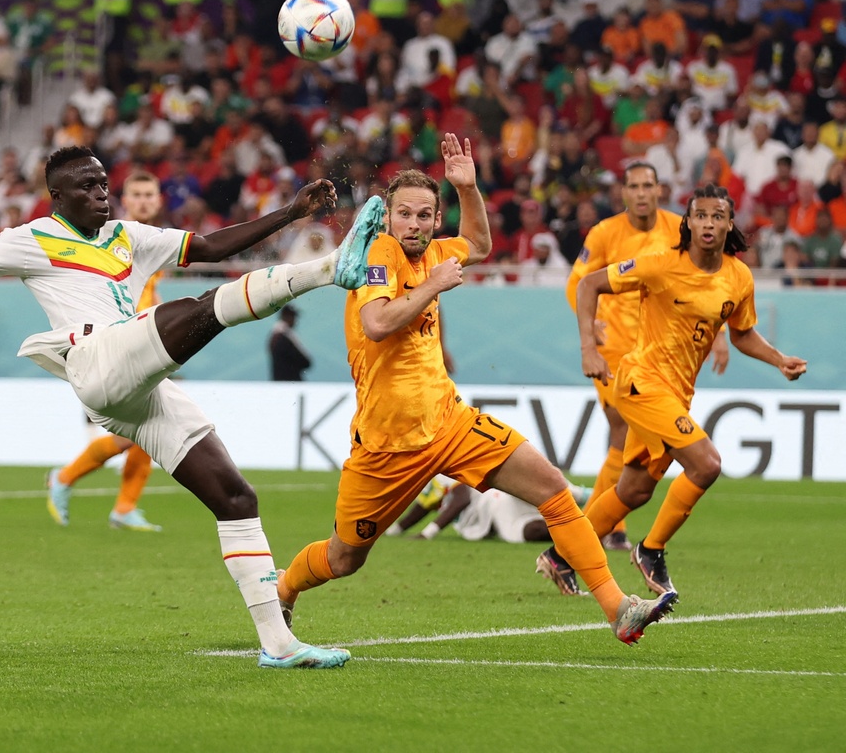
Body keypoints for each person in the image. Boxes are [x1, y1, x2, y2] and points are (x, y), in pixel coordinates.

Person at [0, 145, 390, 669]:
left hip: (136, 388)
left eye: (104, 183)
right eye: (87, 186)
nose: (102, 193)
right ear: (58, 197)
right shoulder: (31, 240)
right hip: (94, 363)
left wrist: (291, 212)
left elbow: (210, 245)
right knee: (198, 310)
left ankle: (277, 644)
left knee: (236, 497)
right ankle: (327, 269)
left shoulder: (129, 236)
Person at [275, 136, 677, 647]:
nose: (414, 224)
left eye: (425, 215)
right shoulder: (378, 253)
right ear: (389, 217)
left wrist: (467, 188)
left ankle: (618, 607)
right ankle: (283, 588)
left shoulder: (437, 251)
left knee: (552, 488)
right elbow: (376, 324)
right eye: (405, 214)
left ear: (435, 219)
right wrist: (433, 285)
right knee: (343, 557)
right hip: (387, 444)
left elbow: (479, 244)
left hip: (450, 422)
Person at [555, 183, 807, 599]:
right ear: (687, 222)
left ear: (729, 224)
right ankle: (651, 550)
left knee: (634, 490)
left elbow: (742, 333)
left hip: (675, 394)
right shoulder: (659, 265)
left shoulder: (739, 277)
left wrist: (779, 360)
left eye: (717, 216)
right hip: (640, 382)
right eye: (700, 215)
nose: (708, 223)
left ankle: (562, 555)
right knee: (706, 464)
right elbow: (588, 285)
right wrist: (588, 347)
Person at [563, 161, 723, 552]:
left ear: (658, 190)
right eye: (633, 186)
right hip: (616, 348)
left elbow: (704, 279)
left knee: (635, 451)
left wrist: (720, 334)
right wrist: (589, 324)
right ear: (623, 192)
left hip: (659, 351)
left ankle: (589, 529)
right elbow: (577, 282)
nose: (640, 193)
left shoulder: (677, 228)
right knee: (620, 428)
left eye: (647, 186)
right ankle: (602, 530)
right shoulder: (605, 232)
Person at [45, 171, 173, 534]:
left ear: (159, 200)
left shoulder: (155, 239)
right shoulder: (110, 236)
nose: (144, 201)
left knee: (150, 428)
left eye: (150, 194)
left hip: (145, 345)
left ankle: (123, 506)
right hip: (115, 345)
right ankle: (65, 478)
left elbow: (145, 291)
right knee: (138, 431)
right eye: (137, 195)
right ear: (124, 200)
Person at [385, 475, 592, 543]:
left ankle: (591, 496)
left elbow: (461, 500)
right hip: (493, 518)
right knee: (534, 531)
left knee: (542, 488)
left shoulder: (443, 466)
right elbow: (421, 508)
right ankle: (592, 525)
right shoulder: (425, 480)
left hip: (496, 501)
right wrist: (391, 531)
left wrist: (428, 533)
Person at [268, 305, 312, 381]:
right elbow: (305, 362)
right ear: (284, 316)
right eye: (292, 316)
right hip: (288, 382)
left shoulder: (275, 337)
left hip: (281, 381)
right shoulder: (284, 338)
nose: (295, 320)